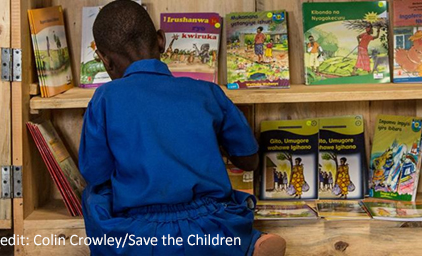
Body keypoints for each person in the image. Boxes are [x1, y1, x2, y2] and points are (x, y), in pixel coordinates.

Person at [79, 1, 285, 255]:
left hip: (139, 230)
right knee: (228, 212)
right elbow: (249, 161)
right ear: (162, 41)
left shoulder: (105, 98)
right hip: (209, 222)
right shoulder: (206, 91)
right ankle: (249, 243)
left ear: (105, 61)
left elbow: (96, 173)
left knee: (93, 195)